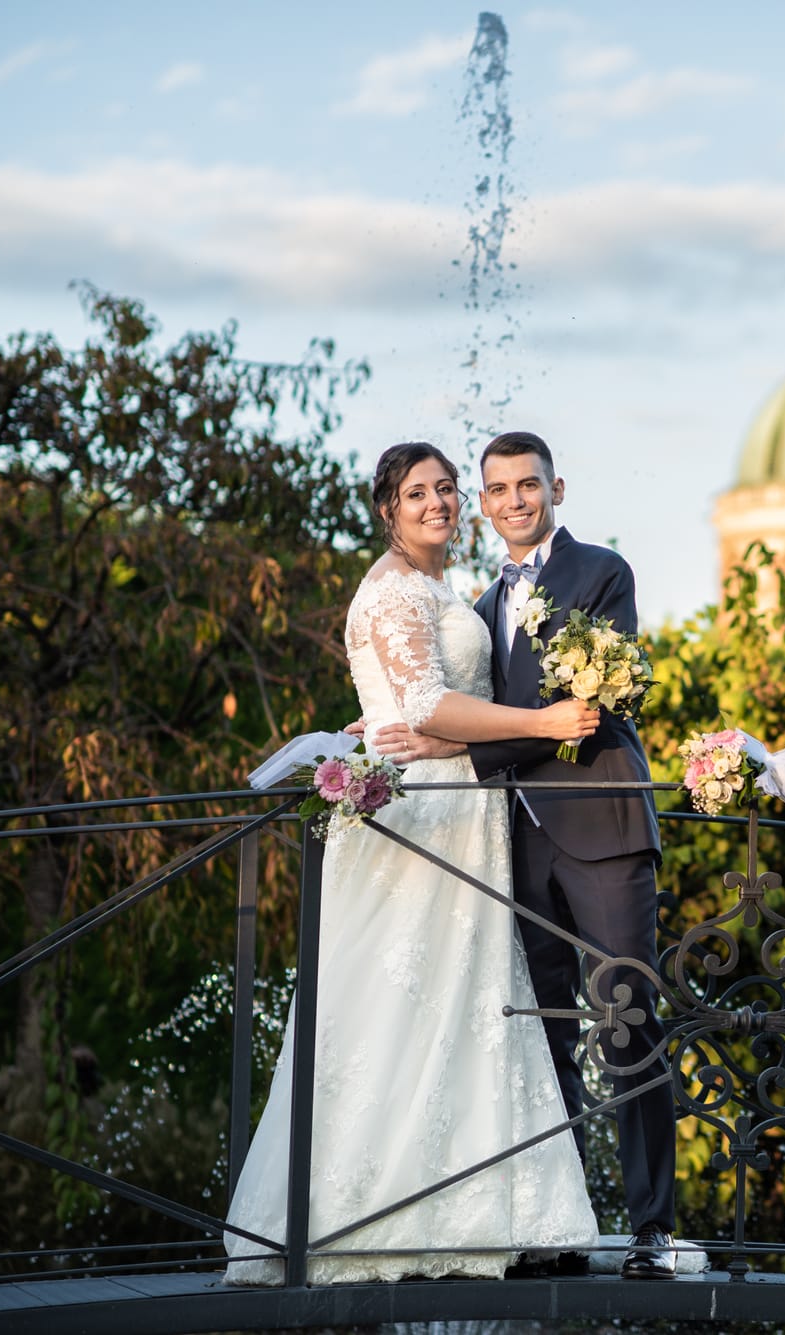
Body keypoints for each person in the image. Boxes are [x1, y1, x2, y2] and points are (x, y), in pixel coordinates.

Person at [224, 442, 602, 1284]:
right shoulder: (394, 589)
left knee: (460, 1006)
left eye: (444, 488)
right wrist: (544, 724)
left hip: (452, 808)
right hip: (420, 823)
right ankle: (372, 1216)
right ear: (387, 509)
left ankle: (477, 1211)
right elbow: (425, 702)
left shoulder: (436, 591)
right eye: (416, 492)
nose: (438, 502)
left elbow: (409, 704)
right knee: (405, 1009)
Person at [367, 430, 678, 1280]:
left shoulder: (602, 573)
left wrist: (454, 751)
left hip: (603, 830)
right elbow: (465, 704)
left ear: (557, 488)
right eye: (496, 487)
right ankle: (558, 1221)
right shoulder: (475, 603)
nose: (512, 500)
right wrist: (401, 727)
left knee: (628, 1022)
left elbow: (586, 704)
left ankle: (654, 1228)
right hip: (517, 842)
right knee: (541, 1035)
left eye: (527, 485)